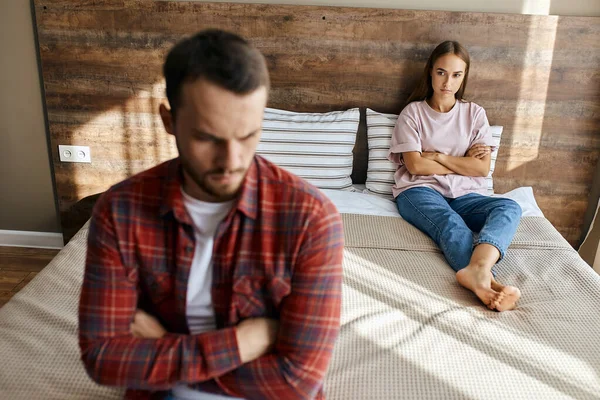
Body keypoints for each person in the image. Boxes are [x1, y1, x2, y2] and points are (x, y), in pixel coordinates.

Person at [78, 29, 344, 400]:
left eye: (248, 135)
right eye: (208, 138)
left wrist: (165, 347)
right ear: (169, 122)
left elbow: (297, 379)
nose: (231, 162)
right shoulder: (120, 210)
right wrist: (244, 342)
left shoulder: (311, 218)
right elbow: (103, 357)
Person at [388, 40, 522, 312]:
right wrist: (463, 162)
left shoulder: (474, 114)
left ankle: (479, 269)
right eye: (441, 72)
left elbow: (481, 170)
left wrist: (437, 157)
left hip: (465, 194)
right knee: (451, 223)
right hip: (419, 191)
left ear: (464, 77)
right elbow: (415, 167)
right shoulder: (412, 113)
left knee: (508, 207)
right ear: (430, 72)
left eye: (456, 75)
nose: (448, 82)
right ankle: (488, 286)